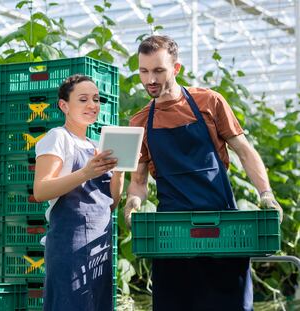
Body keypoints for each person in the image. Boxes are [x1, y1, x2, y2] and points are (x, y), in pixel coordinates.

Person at [123, 35, 283, 311]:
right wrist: (132, 203)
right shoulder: (138, 122)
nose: (150, 79)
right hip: (172, 234)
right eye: (144, 70)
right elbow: (138, 180)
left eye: (158, 70)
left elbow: (244, 151)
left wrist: (266, 194)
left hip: (222, 227)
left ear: (176, 69)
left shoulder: (209, 102)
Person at [34, 74, 124, 311]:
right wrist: (86, 172)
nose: (92, 105)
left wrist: (121, 171)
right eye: (83, 99)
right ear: (64, 106)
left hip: (98, 247)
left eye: (96, 99)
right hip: (69, 245)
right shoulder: (58, 138)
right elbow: (41, 190)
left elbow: (111, 203)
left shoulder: (97, 146)